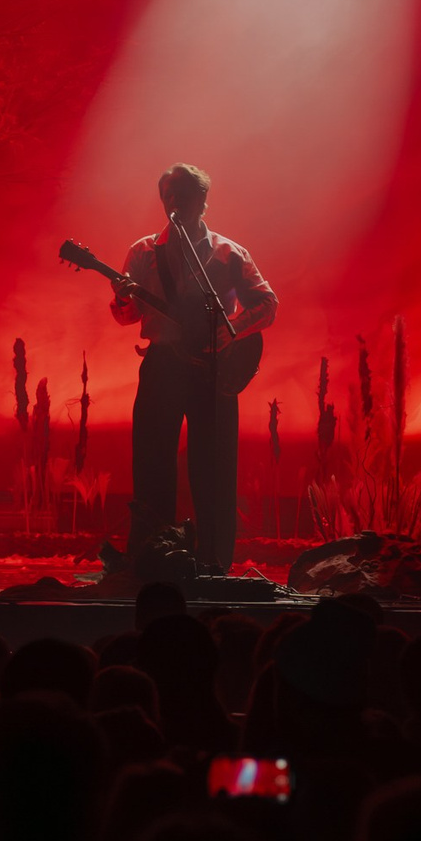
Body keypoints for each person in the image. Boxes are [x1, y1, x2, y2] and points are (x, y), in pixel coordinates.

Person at [109, 164, 277, 576]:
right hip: (163, 362)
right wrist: (122, 299)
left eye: (183, 194)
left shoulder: (227, 253)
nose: (174, 202)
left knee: (214, 469)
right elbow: (126, 318)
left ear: (203, 200)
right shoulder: (144, 251)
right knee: (152, 462)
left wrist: (232, 328)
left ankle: (214, 562)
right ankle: (151, 556)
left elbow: (267, 303)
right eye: (168, 195)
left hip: (214, 368)